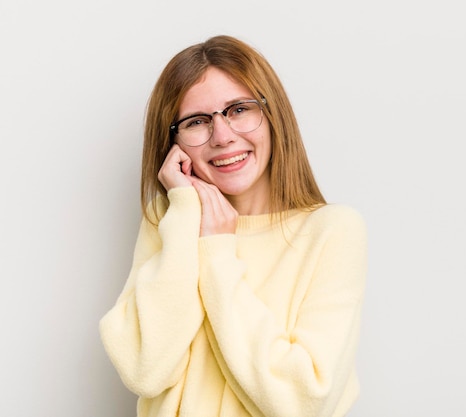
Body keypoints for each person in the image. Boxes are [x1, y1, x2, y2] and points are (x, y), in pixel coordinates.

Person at [99, 35, 367, 417]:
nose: (223, 136)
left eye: (239, 109)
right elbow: (145, 368)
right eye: (196, 121)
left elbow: (300, 401)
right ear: (174, 144)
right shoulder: (170, 221)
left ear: (273, 115)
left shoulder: (332, 230)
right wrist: (186, 215)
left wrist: (217, 250)